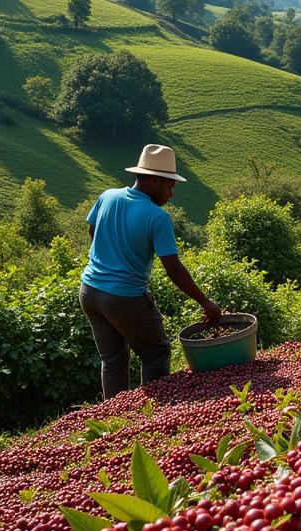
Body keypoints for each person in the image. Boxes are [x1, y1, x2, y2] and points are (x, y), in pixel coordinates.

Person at [80, 144, 221, 399]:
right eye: (169, 186)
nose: (171, 194)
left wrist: (108, 261)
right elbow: (174, 269)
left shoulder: (107, 196)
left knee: (112, 359)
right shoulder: (157, 218)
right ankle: (155, 413)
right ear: (155, 180)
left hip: (89, 292)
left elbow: (93, 232)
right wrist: (205, 302)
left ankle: (115, 418)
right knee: (155, 353)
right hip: (124, 297)